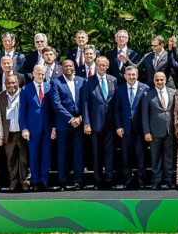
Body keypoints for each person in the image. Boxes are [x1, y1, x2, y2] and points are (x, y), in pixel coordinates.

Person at [81, 55, 119, 190]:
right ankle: (98, 179)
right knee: (96, 153)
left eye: (104, 65)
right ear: (95, 66)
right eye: (99, 65)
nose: (101, 67)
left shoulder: (113, 80)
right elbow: (85, 104)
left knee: (110, 152)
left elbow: (115, 103)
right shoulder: (88, 81)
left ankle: (109, 178)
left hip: (110, 123)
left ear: (107, 66)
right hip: (95, 123)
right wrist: (86, 123)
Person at [19, 65, 56, 192]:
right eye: (39, 74)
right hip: (32, 128)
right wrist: (24, 128)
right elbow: (22, 111)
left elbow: (53, 110)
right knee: (34, 155)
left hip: (47, 127)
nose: (41, 76)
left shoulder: (49, 88)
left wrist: (54, 127)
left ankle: (44, 180)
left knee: (46, 155)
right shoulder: (25, 89)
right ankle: (35, 180)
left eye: (43, 74)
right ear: (33, 74)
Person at [51, 59, 84, 190]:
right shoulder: (56, 82)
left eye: (70, 66)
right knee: (63, 154)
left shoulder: (82, 81)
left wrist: (81, 118)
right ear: (62, 68)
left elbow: (85, 102)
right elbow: (56, 104)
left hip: (79, 123)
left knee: (78, 153)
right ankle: (63, 181)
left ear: (74, 67)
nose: (68, 68)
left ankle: (78, 180)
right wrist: (71, 119)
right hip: (63, 124)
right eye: (65, 66)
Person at [114, 65, 146, 189]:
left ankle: (141, 179)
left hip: (140, 129)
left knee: (141, 155)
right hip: (125, 129)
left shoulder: (145, 88)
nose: (131, 77)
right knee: (126, 156)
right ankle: (127, 179)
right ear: (125, 76)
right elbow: (116, 110)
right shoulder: (120, 89)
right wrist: (118, 126)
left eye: (133, 74)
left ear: (137, 75)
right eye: (129, 75)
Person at [143, 70, 176, 189]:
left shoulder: (173, 93)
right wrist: (147, 132)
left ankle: (169, 179)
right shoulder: (148, 94)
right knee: (155, 157)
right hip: (154, 132)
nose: (159, 82)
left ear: (166, 80)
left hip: (170, 131)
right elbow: (144, 115)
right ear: (153, 81)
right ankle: (156, 180)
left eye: (161, 79)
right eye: (157, 80)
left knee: (169, 157)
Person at [0, 74, 27, 191]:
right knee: (10, 159)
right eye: (8, 83)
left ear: (18, 82)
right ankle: (13, 180)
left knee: (24, 159)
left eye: (14, 82)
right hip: (8, 134)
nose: (11, 85)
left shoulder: (24, 94)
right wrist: (0, 135)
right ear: (5, 84)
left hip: (22, 132)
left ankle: (24, 180)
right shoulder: (1, 97)